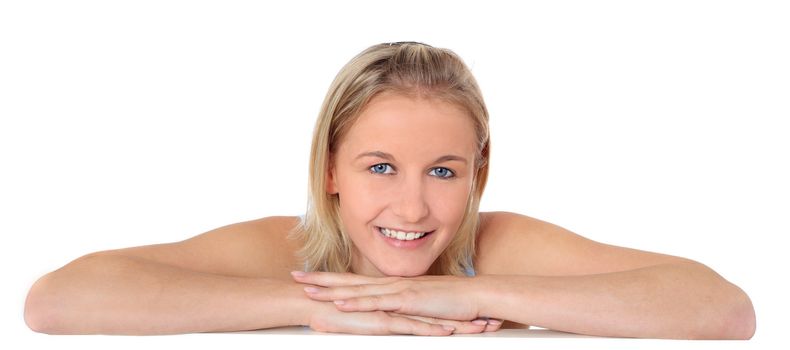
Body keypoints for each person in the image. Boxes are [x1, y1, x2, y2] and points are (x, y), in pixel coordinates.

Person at [23, 41, 755, 339]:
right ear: (330, 172)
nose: (412, 209)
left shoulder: (494, 248)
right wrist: (331, 306)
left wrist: (475, 293)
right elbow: (54, 301)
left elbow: (723, 309)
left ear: (478, 174)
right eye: (380, 167)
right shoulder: (289, 248)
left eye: (444, 171)